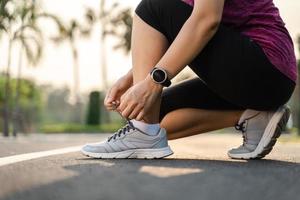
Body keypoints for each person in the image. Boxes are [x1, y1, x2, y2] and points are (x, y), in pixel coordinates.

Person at [81, 0, 297, 160]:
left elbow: (206, 20)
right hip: (261, 77)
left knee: (152, 6)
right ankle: (251, 117)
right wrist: (131, 79)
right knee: (154, 113)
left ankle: (142, 132)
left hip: (265, 65)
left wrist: (153, 82)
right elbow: (176, 33)